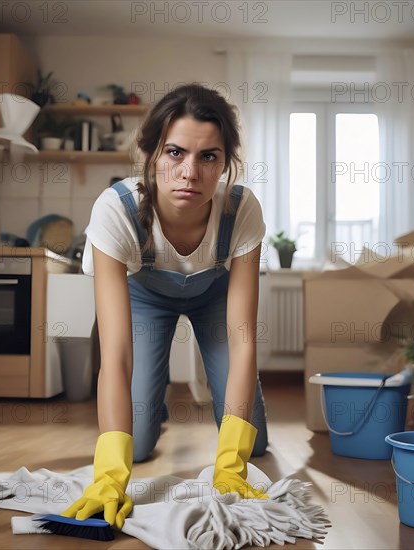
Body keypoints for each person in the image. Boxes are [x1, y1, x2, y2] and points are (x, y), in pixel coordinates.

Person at [62, 84, 269, 529]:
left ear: (225, 165)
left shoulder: (242, 210)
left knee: (256, 444)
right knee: (133, 447)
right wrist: (109, 476)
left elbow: (243, 342)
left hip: (216, 294)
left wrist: (231, 463)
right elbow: (114, 354)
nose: (190, 172)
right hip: (146, 296)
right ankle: (148, 404)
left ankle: (233, 424)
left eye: (208, 157)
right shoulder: (115, 211)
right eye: (175, 153)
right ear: (152, 154)